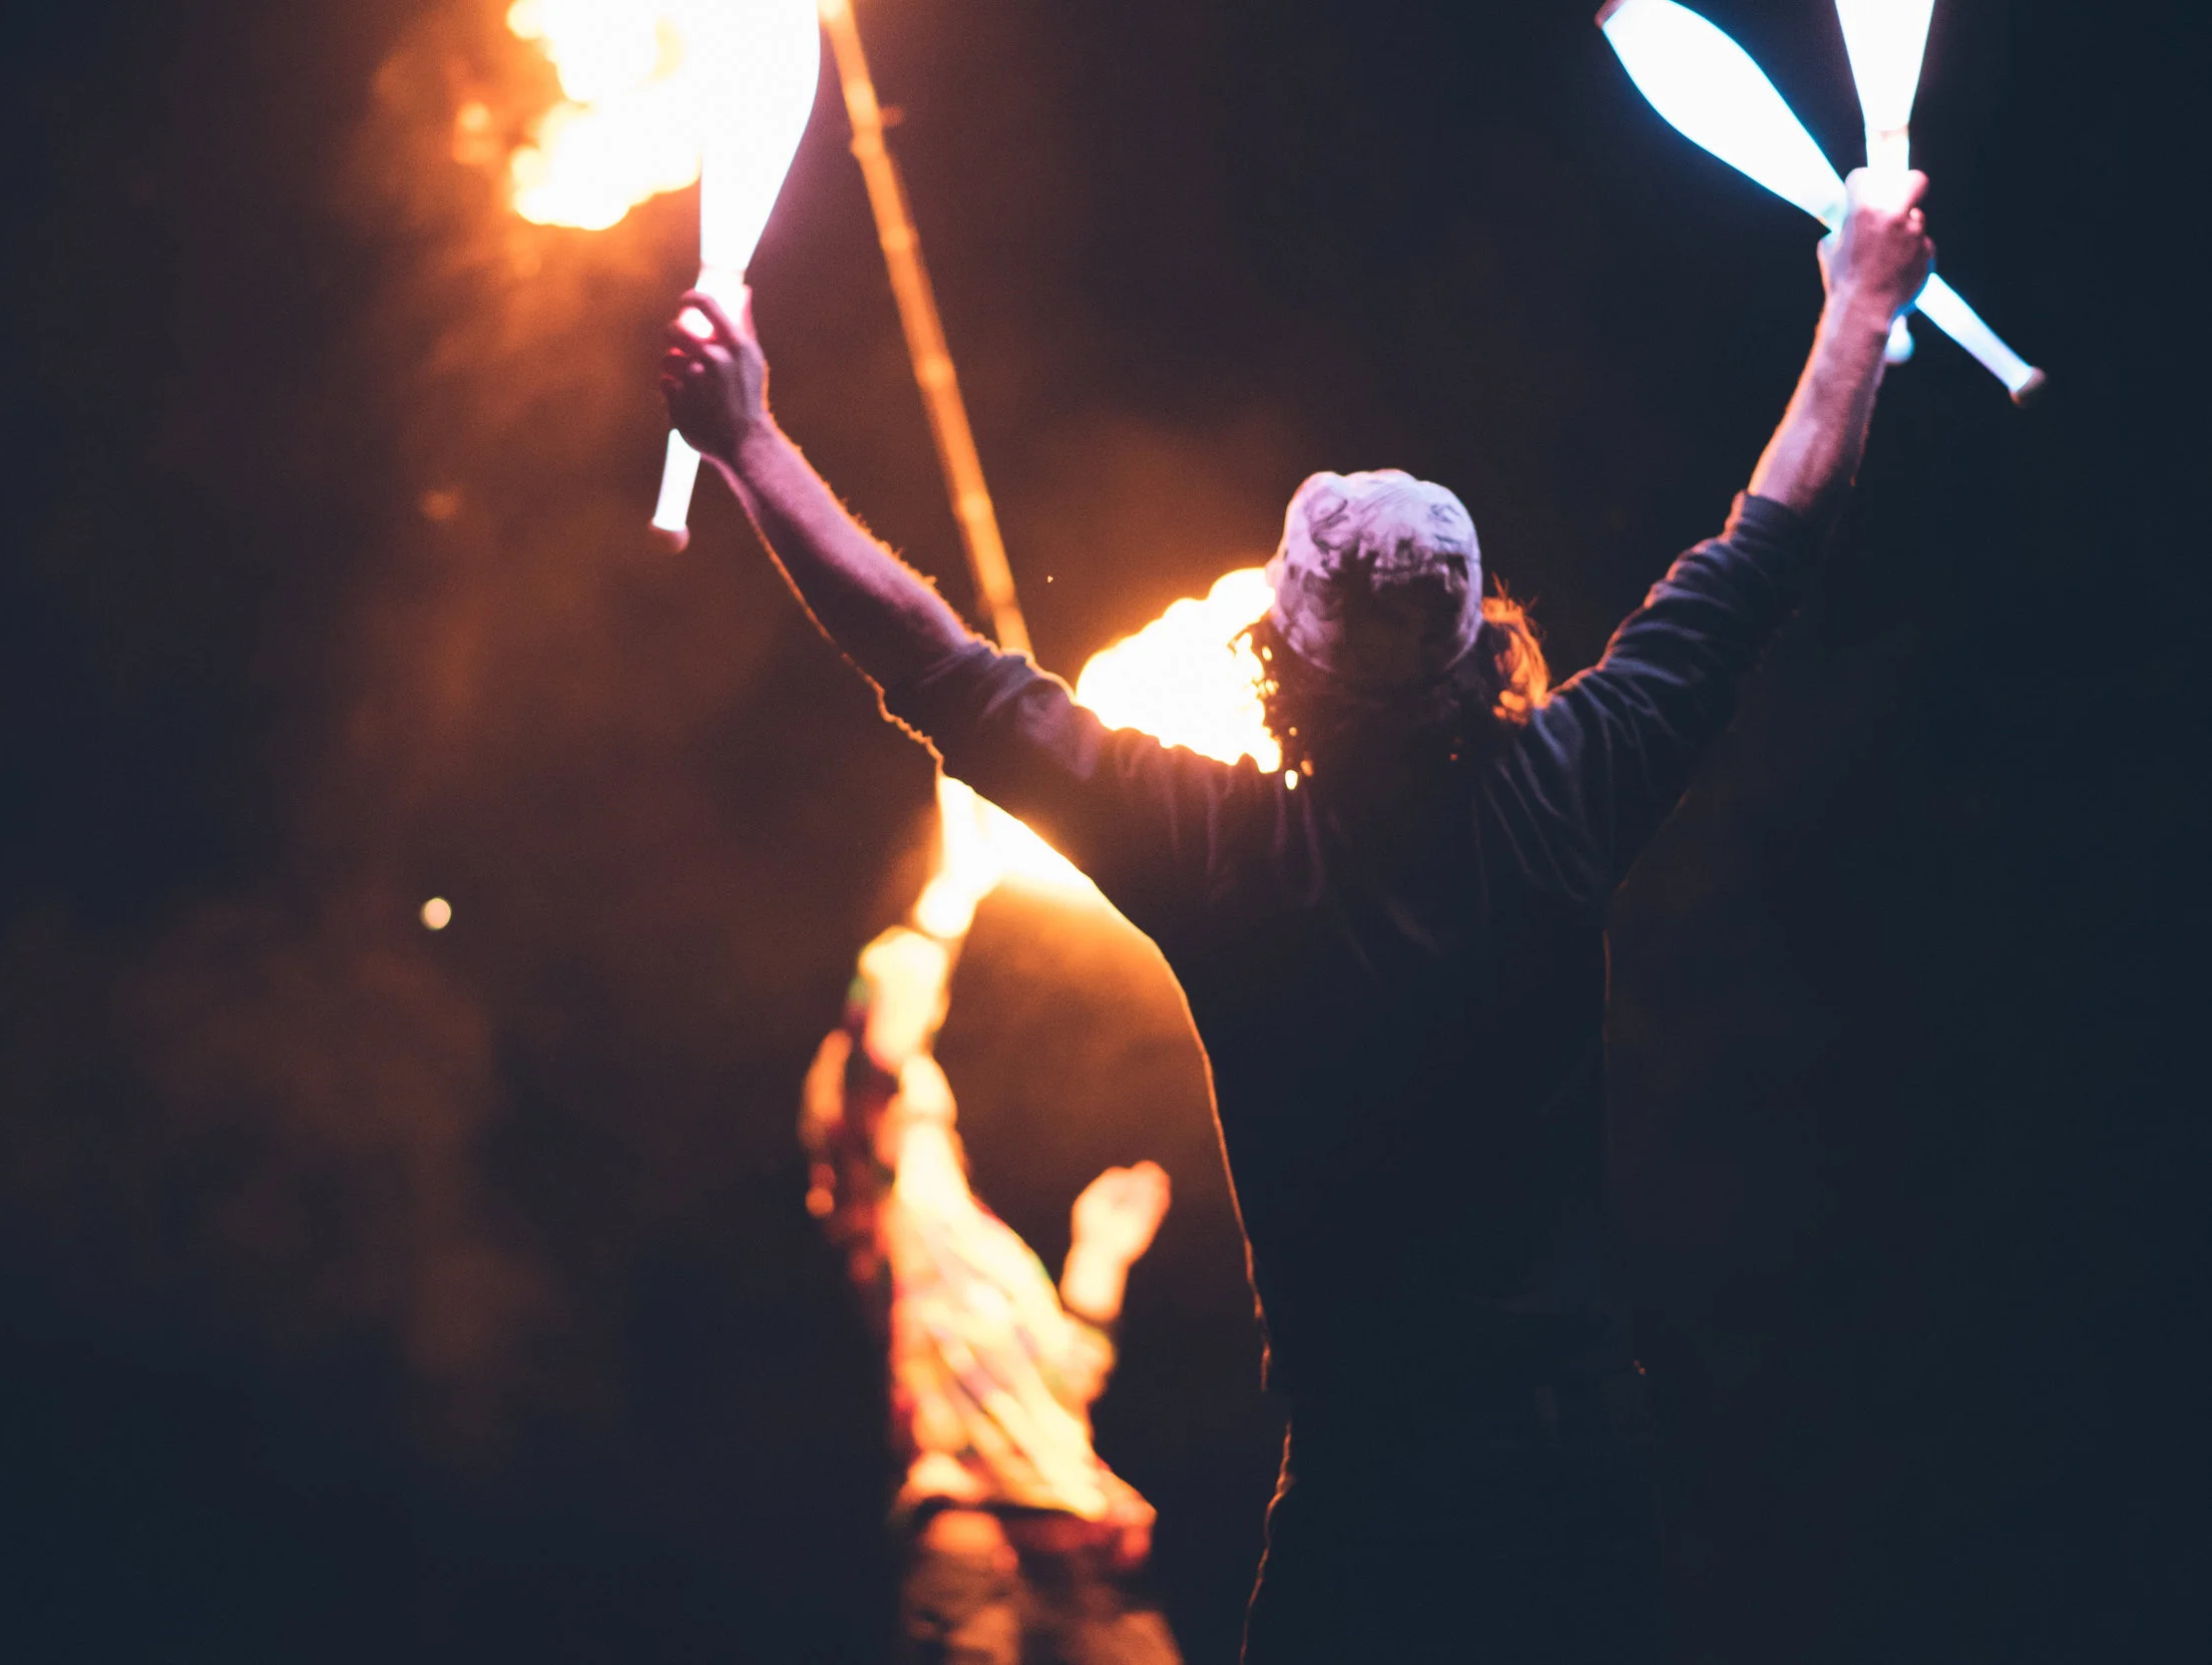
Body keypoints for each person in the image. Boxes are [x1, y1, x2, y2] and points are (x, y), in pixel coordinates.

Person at [670, 168, 1937, 1659]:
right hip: (1579, 1469)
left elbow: (940, 670)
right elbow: (1765, 551)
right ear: (1482, 645)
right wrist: (1858, 302)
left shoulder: (1225, 857)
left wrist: (750, 439)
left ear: (1277, 649)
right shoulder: (1573, 790)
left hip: (1373, 1490)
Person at [804, 923, 1182, 1664]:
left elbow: (1069, 1381)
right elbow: (876, 1047)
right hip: (980, 1569)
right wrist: (951, 896)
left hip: (1088, 1566)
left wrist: (1097, 1259)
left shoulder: (990, 1249)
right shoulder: (882, 1229)